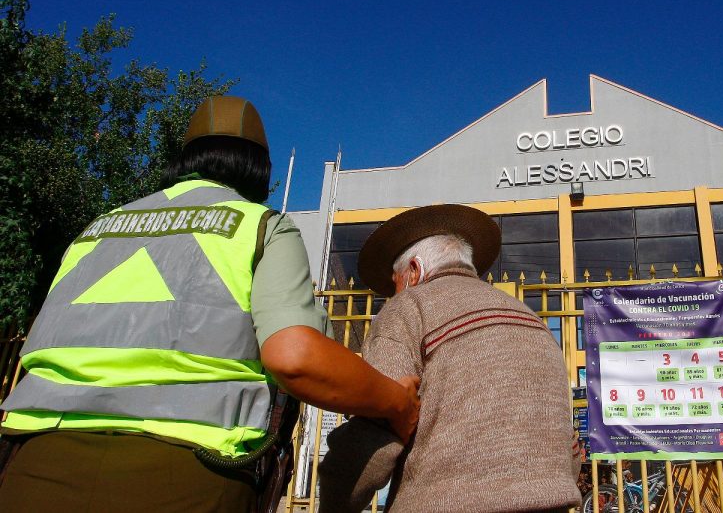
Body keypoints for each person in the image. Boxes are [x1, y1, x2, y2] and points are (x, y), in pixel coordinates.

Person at [0, 96, 419, 512]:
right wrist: (397, 402)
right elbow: (296, 357)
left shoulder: (96, 229)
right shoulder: (260, 226)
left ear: (184, 158)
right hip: (186, 474)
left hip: (33, 463)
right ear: (259, 167)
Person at [318, 204, 581, 513]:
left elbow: (379, 422)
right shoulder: (530, 318)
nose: (394, 293)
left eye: (395, 282)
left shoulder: (409, 307)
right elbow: (568, 443)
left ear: (414, 271)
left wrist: (336, 499)